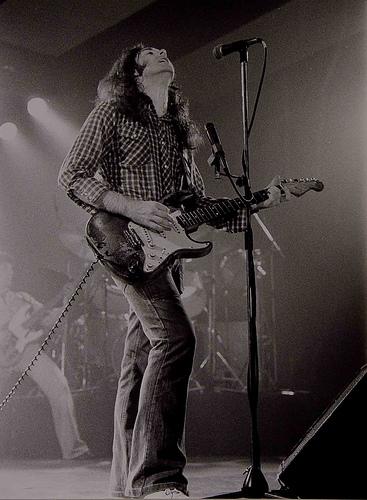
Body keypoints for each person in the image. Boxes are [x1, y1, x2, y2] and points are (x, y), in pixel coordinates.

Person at [58, 44, 287, 498]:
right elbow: (72, 173)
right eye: (150, 52)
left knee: (140, 362)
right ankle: (158, 480)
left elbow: (197, 207)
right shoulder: (111, 113)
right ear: (134, 73)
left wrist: (260, 200)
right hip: (126, 243)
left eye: (165, 49)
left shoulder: (179, 132)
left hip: (169, 254)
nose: (163, 51)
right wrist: (130, 206)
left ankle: (126, 483)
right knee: (176, 339)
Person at [0, 252, 91, 460]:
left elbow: (49, 319)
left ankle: (74, 450)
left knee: (59, 387)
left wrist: (68, 300)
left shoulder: (21, 297)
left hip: (25, 350)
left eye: (10, 269)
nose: (10, 272)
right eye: (5, 268)